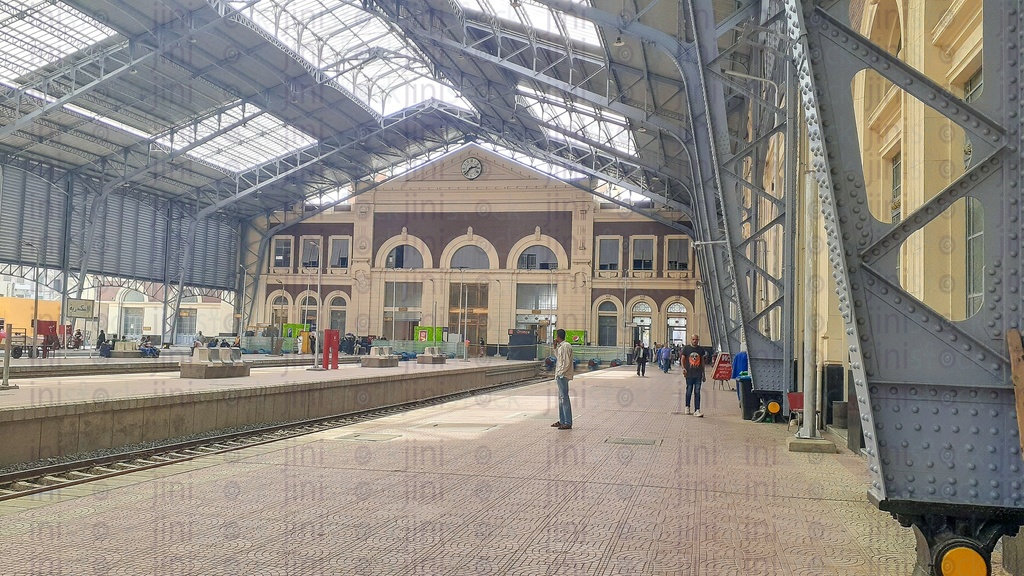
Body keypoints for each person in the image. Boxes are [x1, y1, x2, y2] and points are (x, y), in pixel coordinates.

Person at [682, 335, 713, 417]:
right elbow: (682, 359)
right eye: (693, 339)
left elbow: (702, 361)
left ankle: (697, 409)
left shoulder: (700, 349)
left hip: (698, 374)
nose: (695, 341)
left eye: (696, 339)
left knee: (697, 391)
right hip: (689, 373)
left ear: (698, 340)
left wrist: (704, 374)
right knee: (689, 390)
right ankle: (687, 406)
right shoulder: (686, 348)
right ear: (690, 340)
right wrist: (683, 368)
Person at [550, 328, 574, 430]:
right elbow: (559, 359)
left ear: (558, 337)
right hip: (560, 375)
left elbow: (566, 362)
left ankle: (567, 422)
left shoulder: (565, 346)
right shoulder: (561, 347)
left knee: (564, 398)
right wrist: (555, 347)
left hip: (562, 376)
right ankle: (562, 420)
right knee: (561, 398)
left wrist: (561, 373)